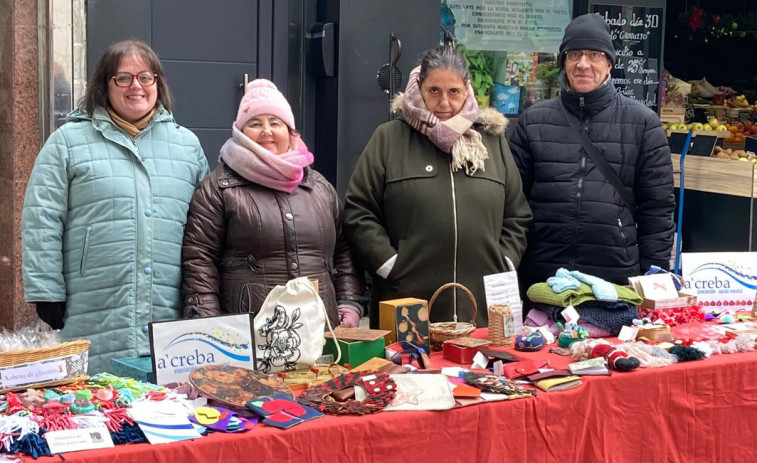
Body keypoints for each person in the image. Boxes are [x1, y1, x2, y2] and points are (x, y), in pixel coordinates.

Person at [22, 40, 210, 373]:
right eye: (123, 78)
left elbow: (206, 230)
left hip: (168, 314)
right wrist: (47, 289)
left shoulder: (187, 146)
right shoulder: (67, 142)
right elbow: (42, 219)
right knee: (99, 408)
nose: (136, 86)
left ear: (158, 83)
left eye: (146, 77)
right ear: (104, 86)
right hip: (92, 306)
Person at [344, 45, 532, 328]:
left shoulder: (490, 141)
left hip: (481, 306)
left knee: (480, 372)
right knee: (408, 372)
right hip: (407, 302)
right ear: (419, 89)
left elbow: (517, 213)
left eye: (453, 91)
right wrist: (389, 264)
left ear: (467, 90)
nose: (444, 102)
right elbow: (359, 210)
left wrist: (503, 260)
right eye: (434, 91)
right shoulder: (390, 139)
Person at [508, 13, 675, 309]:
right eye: (574, 54)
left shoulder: (643, 123)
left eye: (594, 55)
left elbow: (657, 209)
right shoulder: (532, 122)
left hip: (615, 281)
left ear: (609, 63)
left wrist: (653, 278)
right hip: (542, 280)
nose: (583, 64)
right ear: (564, 62)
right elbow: (511, 203)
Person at [181, 79, 364, 329]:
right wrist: (208, 325)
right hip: (250, 332)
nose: (266, 131)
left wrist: (349, 302)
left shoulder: (319, 186)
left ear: (290, 132)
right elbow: (200, 259)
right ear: (241, 133)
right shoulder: (217, 188)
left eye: (275, 123)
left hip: (319, 329)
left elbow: (343, 252)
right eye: (255, 123)